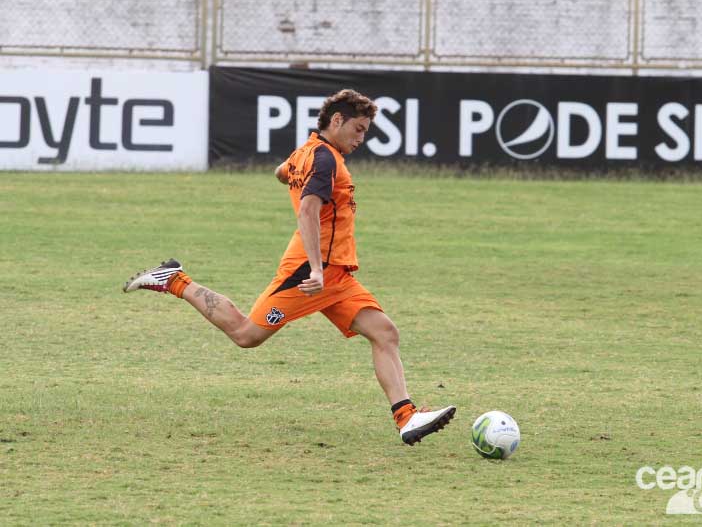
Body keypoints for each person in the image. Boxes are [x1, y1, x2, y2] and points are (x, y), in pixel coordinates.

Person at [123, 89, 455, 445]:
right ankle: (173, 279)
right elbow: (308, 211)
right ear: (337, 120)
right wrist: (314, 269)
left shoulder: (307, 152)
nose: (362, 138)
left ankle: (406, 418)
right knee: (246, 335)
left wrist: (291, 179)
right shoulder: (325, 160)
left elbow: (281, 172)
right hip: (310, 273)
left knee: (385, 332)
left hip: (336, 275)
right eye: (358, 129)